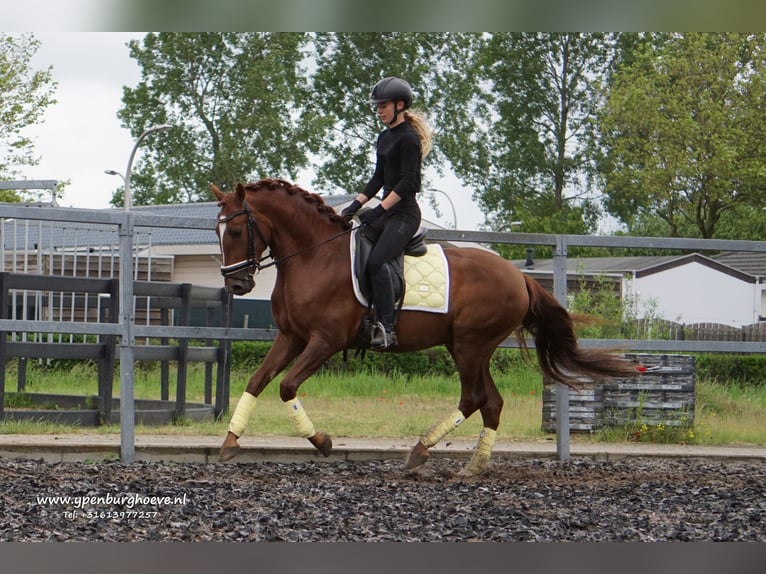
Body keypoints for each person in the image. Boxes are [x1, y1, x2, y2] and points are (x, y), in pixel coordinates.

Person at [341, 76, 432, 349]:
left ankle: (387, 328)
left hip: (404, 215)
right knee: (356, 247)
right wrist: (354, 206)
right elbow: (378, 178)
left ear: (400, 104)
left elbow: (408, 183)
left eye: (383, 106)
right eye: (377, 106)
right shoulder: (384, 138)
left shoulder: (408, 138)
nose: (379, 110)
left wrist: (379, 209)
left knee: (376, 262)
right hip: (387, 213)